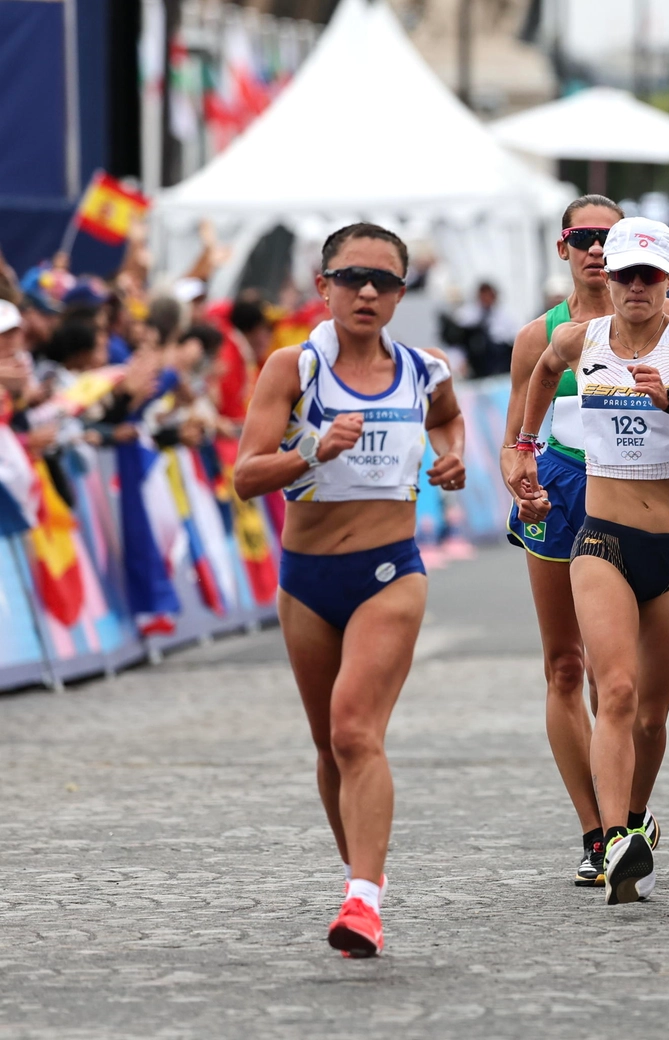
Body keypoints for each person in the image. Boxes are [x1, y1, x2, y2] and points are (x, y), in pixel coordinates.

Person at [233, 222, 466, 957]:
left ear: (402, 292)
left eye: (385, 282)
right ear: (323, 284)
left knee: (354, 730)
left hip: (390, 571)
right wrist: (309, 449)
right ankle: (357, 873)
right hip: (306, 581)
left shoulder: (425, 370)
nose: (367, 293)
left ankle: (364, 901)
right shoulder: (292, 369)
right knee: (328, 748)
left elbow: (451, 422)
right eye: (352, 278)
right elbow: (244, 477)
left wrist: (450, 457)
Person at [510, 217, 669, 905]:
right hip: (600, 539)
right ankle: (611, 840)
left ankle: (631, 824)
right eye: (625, 274)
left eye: (648, 275)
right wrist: (525, 447)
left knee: (652, 715)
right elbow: (539, 376)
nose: (634, 286)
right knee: (612, 688)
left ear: (668, 281)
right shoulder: (574, 338)